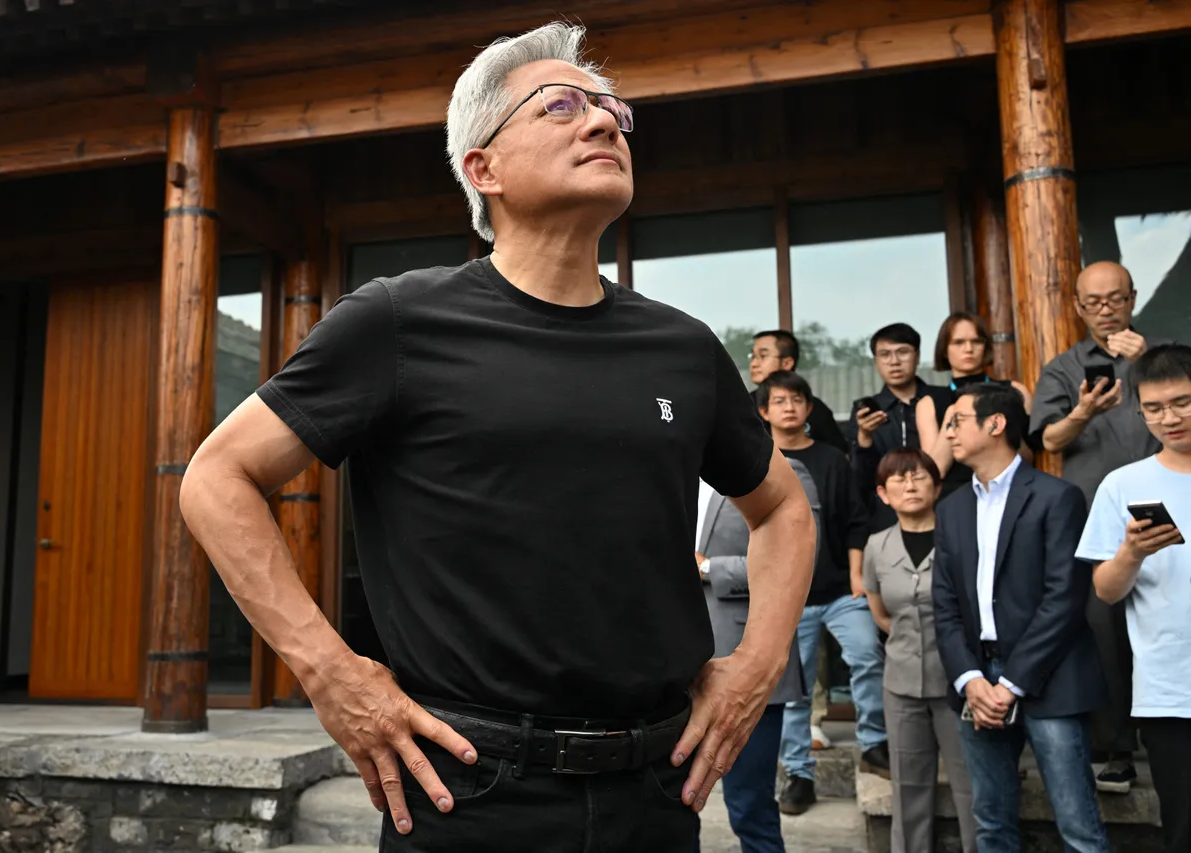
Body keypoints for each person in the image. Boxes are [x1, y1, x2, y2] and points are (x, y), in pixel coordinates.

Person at [177, 23, 817, 853]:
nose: (601, 123)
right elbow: (216, 478)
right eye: (560, 105)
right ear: (484, 169)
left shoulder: (684, 347)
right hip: (467, 791)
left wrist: (756, 669)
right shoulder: (400, 320)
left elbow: (782, 511)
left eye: (610, 110)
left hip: (657, 791)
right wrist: (330, 670)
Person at [932, 384, 1109, 853]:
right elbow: (945, 605)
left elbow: (1064, 600)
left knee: (1079, 827)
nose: (947, 432)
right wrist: (970, 679)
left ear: (996, 424)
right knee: (991, 824)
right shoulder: (950, 509)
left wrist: (1010, 684)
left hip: (1049, 676)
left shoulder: (1058, 497)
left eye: (957, 421)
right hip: (977, 678)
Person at [1030, 261, 1163, 794]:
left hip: (1172, 503)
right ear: (1080, 308)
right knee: (1103, 628)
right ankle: (1119, 749)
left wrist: (1147, 361)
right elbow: (1050, 441)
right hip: (1097, 516)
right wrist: (1084, 409)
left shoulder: (1165, 354)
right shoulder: (1064, 368)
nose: (1106, 309)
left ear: (1133, 297)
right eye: (1095, 302)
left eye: (1115, 299)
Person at [1076, 343, 1191, 853]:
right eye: (1156, 408)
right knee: (1184, 828)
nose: (1170, 417)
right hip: (1169, 687)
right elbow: (1105, 589)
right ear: (1140, 410)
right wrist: (1130, 552)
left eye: (1183, 402)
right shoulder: (1122, 485)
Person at [758, 371, 890, 815]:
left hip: (838, 589)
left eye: (797, 399)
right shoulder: (757, 461)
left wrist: (857, 579)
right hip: (786, 597)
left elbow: (856, 520)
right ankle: (798, 774)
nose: (789, 407)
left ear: (809, 408)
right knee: (792, 692)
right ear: (764, 412)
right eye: (779, 401)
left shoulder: (834, 459)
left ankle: (874, 744)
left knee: (867, 656)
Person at [864, 448, 977, 853]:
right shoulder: (876, 546)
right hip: (900, 682)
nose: (910, 486)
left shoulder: (960, 537)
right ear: (883, 493)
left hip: (959, 682)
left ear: (938, 486)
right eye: (899, 479)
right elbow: (879, 611)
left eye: (919, 477)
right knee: (907, 784)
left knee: (971, 785)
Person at [697, 467, 810, 853]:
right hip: (670, 662)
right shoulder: (661, 470)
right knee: (666, 808)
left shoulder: (779, 472)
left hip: (748, 659)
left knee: (750, 807)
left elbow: (796, 556)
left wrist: (709, 568)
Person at [848, 323, 952, 533]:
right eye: (885, 354)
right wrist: (865, 438)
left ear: (917, 355)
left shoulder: (942, 399)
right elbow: (862, 480)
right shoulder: (866, 409)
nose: (894, 362)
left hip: (943, 508)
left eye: (902, 352)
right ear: (876, 361)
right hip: (887, 516)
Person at [916, 312, 1030, 500]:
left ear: (985, 347)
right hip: (955, 498)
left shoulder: (1014, 391)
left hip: (1011, 492)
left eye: (977, 341)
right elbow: (936, 471)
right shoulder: (930, 402)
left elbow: (1028, 457)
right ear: (944, 349)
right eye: (958, 342)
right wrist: (953, 415)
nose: (968, 349)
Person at [751, 329, 849, 453]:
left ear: (787, 363)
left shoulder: (815, 408)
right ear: (764, 411)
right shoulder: (742, 405)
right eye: (753, 356)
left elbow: (840, 456)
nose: (754, 363)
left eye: (763, 356)